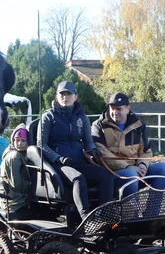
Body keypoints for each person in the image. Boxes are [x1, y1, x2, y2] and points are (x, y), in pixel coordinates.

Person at [38, 80, 114, 221]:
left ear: (75, 96)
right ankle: (86, 218)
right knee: (78, 178)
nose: (65, 97)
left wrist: (92, 150)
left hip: (77, 161)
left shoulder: (82, 117)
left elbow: (88, 141)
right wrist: (59, 158)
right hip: (58, 165)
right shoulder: (48, 117)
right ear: (56, 96)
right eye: (62, 94)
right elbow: (41, 145)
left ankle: (104, 215)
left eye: (68, 94)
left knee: (106, 175)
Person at [91, 92, 165, 203]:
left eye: (119, 109)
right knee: (131, 175)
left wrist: (142, 164)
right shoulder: (99, 126)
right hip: (112, 174)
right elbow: (102, 153)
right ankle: (132, 213)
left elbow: (146, 151)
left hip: (135, 169)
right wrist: (128, 167)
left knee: (162, 168)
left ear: (128, 108)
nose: (115, 112)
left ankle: (152, 213)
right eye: (112, 108)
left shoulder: (139, 126)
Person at [0, 125, 33, 220]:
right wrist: (31, 185)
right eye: (17, 140)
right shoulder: (14, 157)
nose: (19, 143)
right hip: (15, 203)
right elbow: (16, 184)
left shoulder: (15, 153)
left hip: (11, 200)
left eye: (23, 140)